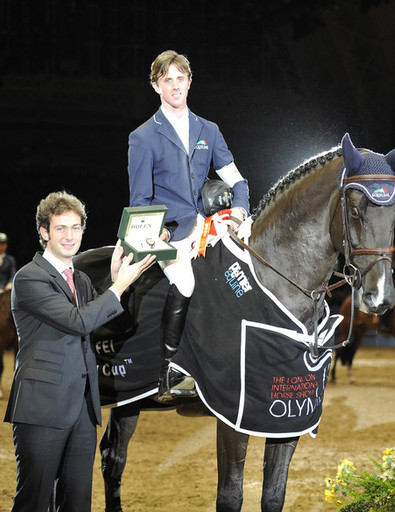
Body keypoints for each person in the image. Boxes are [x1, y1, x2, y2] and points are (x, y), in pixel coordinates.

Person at [4, 191, 155, 512]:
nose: (69, 236)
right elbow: (78, 321)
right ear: (44, 232)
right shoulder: (29, 278)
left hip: (84, 410)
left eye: (75, 228)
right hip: (42, 409)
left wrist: (114, 280)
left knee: (77, 503)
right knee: (34, 500)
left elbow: (99, 313)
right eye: (60, 228)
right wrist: (119, 286)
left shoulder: (82, 280)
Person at [127, 50, 250, 401]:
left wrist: (239, 211)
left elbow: (237, 181)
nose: (175, 85)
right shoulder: (143, 137)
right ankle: (169, 371)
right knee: (185, 280)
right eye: (168, 79)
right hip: (173, 233)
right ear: (156, 86)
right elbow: (140, 200)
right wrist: (161, 230)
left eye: (181, 78)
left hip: (212, 225)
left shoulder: (208, 130)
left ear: (190, 82)